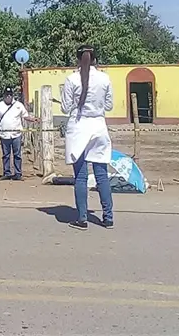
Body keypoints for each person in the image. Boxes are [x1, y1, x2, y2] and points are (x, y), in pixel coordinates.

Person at [60, 45, 115, 231]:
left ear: (77, 59)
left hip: (79, 127)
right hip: (99, 126)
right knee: (102, 175)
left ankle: (82, 218)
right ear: (95, 59)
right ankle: (108, 218)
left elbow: (65, 108)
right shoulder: (105, 78)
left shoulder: (71, 79)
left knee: (81, 177)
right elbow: (109, 105)